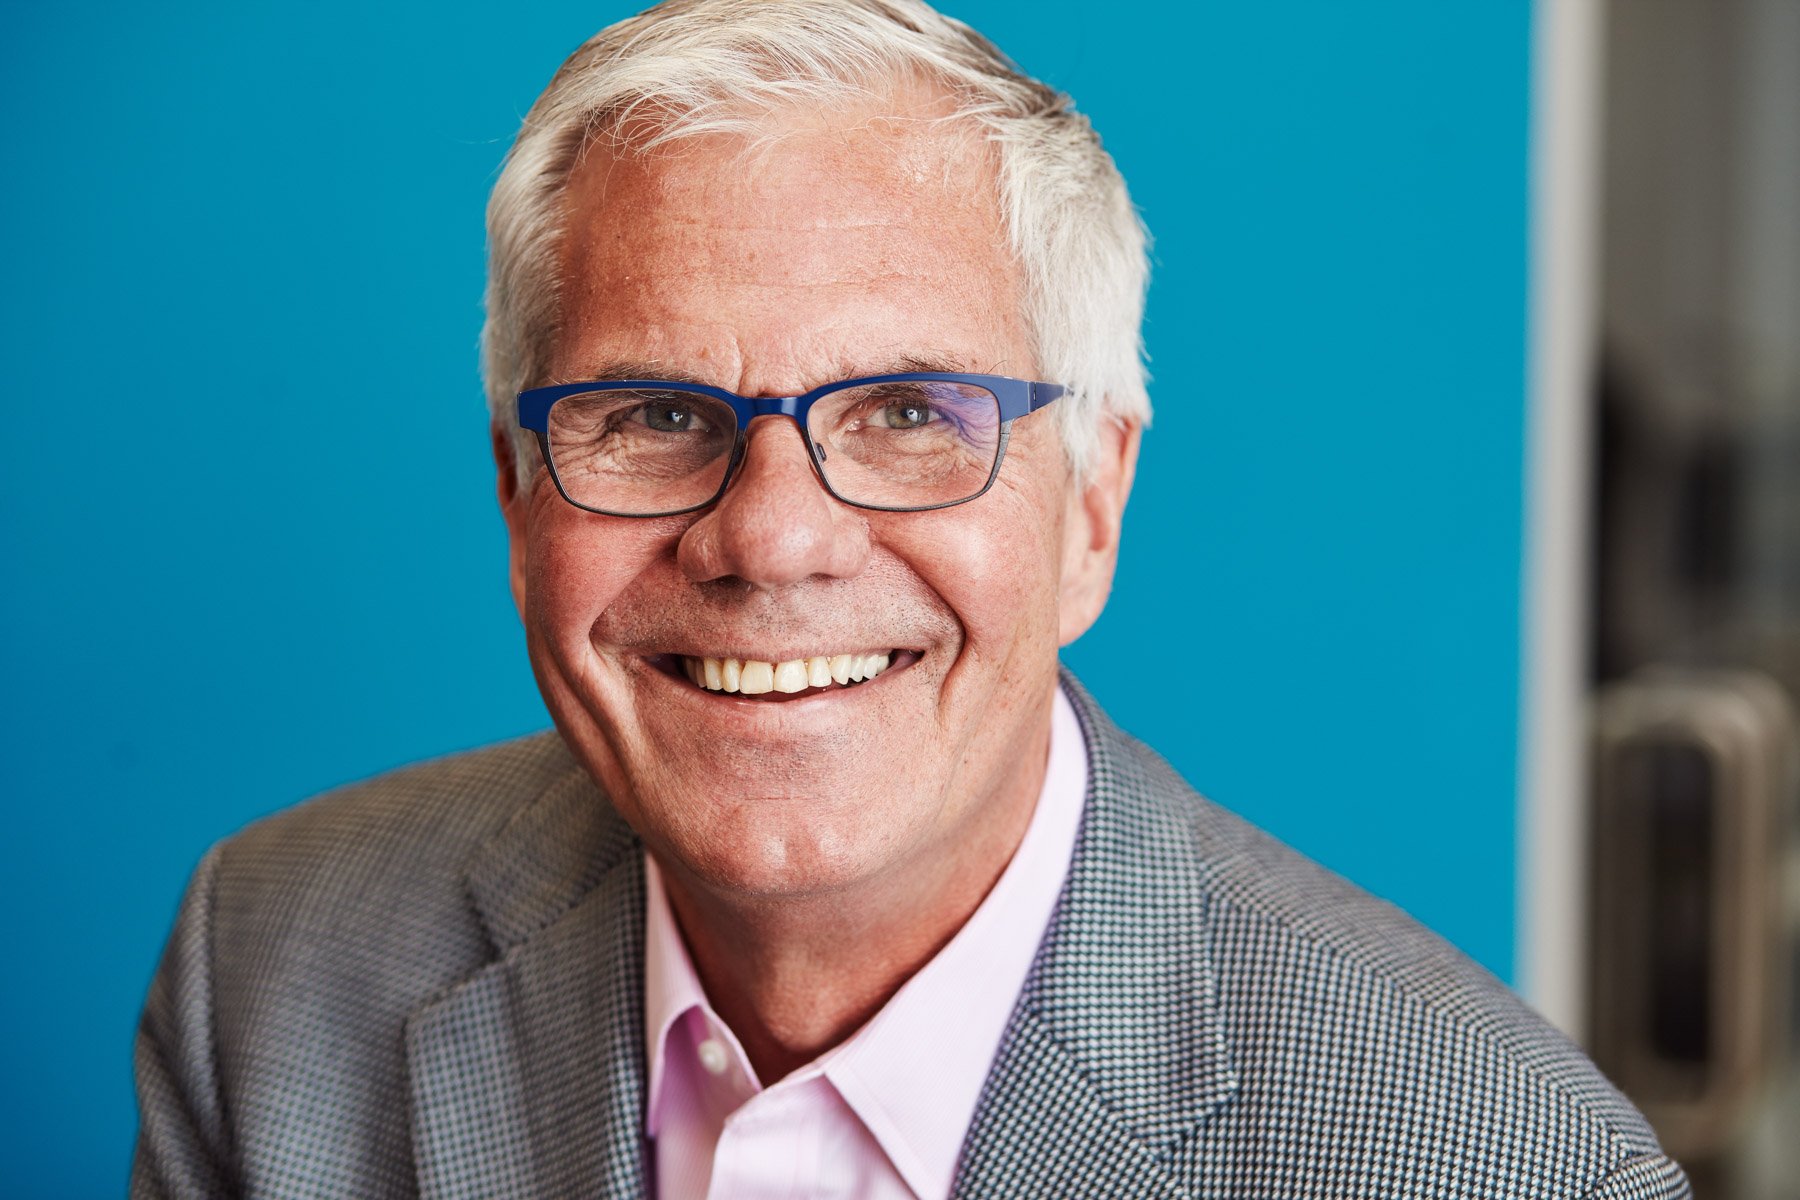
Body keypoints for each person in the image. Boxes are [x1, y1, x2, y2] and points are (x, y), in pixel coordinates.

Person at [132, 2, 1689, 1197]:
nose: (772, 540)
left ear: (1092, 506)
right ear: (516, 488)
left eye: (907, 413)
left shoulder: (1504, 1167)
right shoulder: (269, 967)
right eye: (656, 415)